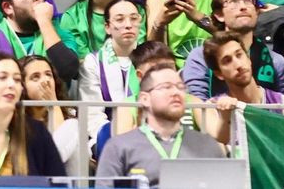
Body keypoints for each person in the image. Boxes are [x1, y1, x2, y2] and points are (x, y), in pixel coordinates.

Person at [95, 62, 226, 186]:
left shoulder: (207, 145)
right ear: (144, 98)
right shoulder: (119, 147)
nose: (176, 92)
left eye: (181, 87)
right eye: (166, 87)